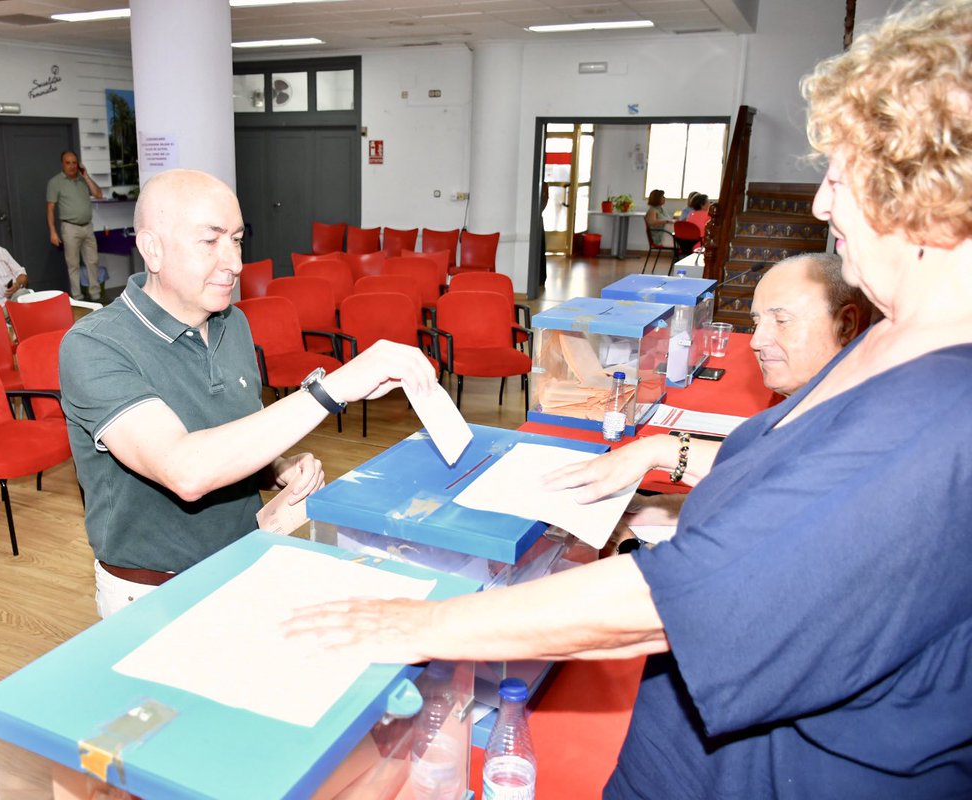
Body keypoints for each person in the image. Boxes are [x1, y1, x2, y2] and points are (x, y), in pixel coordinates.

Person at [285, 2, 972, 796]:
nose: (821, 205)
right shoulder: (901, 333)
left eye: (842, 177)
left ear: (923, 188)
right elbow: (810, 512)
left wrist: (410, 625)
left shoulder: (937, 410)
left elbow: (675, 604)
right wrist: (669, 490)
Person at [59, 168, 438, 619]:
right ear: (152, 249)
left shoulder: (231, 323)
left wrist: (275, 468)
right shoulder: (94, 345)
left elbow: (234, 430)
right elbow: (185, 469)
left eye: (237, 240)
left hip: (246, 559)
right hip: (155, 595)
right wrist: (331, 387)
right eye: (210, 241)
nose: (235, 262)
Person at [551, 251, 876, 536]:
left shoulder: (867, 417)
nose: (756, 341)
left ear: (845, 324)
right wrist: (657, 508)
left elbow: (790, 489)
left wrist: (661, 449)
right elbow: (755, 492)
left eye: (781, 320)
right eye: (757, 322)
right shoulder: (810, 395)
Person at [46, 150, 104, 302]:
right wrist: (52, 231)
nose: (72, 166)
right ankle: (78, 298)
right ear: (62, 164)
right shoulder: (55, 182)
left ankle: (96, 295)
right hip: (70, 228)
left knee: (93, 261)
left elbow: (99, 194)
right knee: (73, 265)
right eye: (68, 163)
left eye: (74, 162)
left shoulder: (83, 180)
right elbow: (50, 208)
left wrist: (86, 176)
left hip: (88, 227)